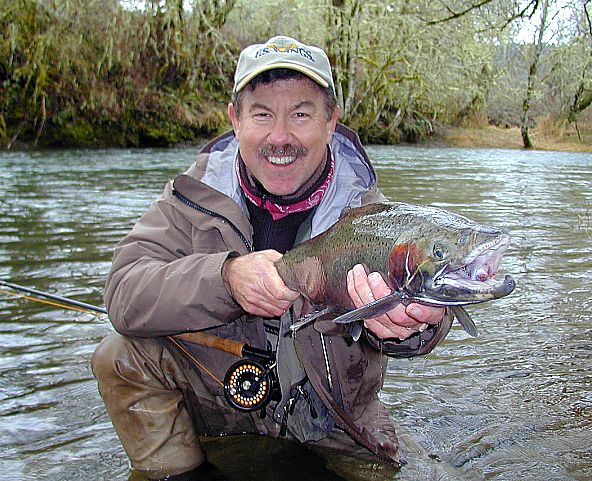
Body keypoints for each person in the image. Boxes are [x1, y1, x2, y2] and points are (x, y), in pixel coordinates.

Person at [91, 35, 452, 481]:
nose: (280, 137)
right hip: (220, 405)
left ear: (330, 121)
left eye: (300, 114)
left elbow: (427, 314)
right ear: (235, 119)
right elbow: (124, 295)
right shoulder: (190, 200)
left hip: (337, 420)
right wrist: (224, 279)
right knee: (120, 355)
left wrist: (415, 327)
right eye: (262, 114)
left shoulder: (373, 218)